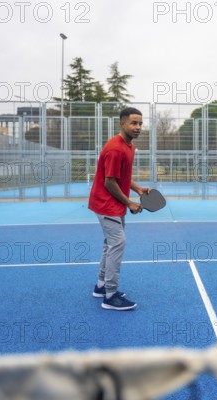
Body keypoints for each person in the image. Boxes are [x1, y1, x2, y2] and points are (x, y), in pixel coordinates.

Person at [88, 107, 149, 311]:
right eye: (134, 123)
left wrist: (137, 188)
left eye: (140, 123)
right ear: (122, 124)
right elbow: (110, 182)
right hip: (107, 204)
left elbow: (122, 176)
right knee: (118, 244)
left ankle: (101, 286)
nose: (138, 127)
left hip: (114, 204)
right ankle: (110, 296)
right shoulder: (115, 148)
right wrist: (129, 202)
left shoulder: (129, 147)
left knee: (109, 244)